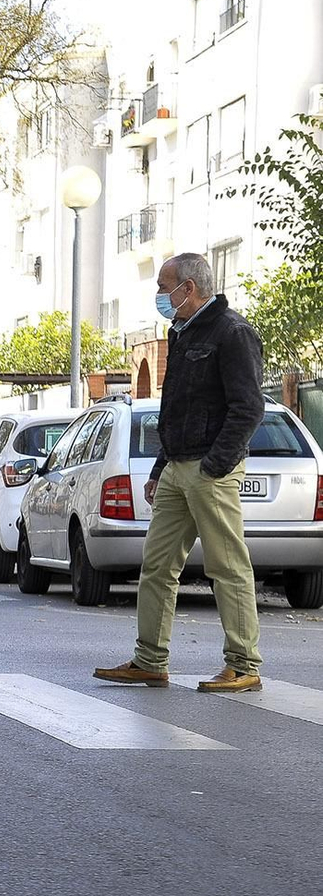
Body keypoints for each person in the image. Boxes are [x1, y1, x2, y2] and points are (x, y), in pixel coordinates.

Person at [95, 253, 266, 694]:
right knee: (156, 566)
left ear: (188, 288)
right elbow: (173, 408)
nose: (159, 295)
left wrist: (214, 466)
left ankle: (243, 664)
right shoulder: (181, 331)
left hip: (210, 469)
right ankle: (150, 660)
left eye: (163, 286)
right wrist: (160, 466)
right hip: (176, 466)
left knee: (227, 566)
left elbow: (249, 408)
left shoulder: (233, 332)